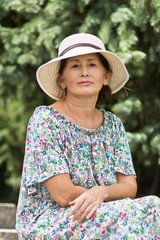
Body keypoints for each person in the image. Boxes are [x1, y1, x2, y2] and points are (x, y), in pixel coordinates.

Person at [16, 33, 160, 239]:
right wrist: (102, 196)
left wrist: (102, 192)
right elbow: (64, 195)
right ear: (62, 79)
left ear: (106, 77)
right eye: (75, 66)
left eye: (92, 65)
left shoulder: (112, 125)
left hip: (102, 213)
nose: (84, 72)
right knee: (136, 213)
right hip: (52, 221)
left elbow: (129, 186)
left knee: (154, 206)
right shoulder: (45, 120)